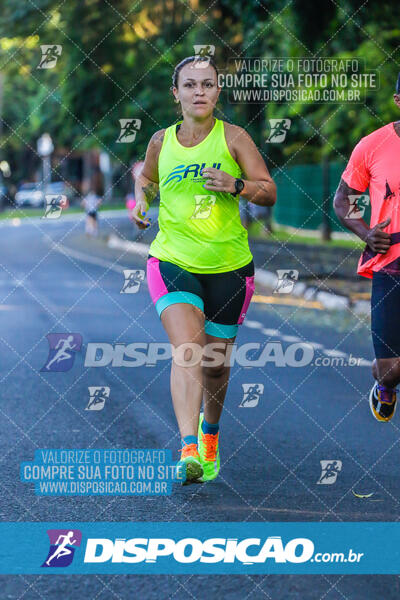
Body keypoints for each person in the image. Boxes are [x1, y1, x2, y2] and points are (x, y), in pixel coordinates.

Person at [132, 56, 276, 482]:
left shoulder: (234, 139)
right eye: (190, 85)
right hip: (172, 258)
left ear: (217, 91)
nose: (199, 92)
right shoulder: (160, 140)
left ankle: (209, 433)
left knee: (215, 363)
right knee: (188, 351)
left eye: (208, 84)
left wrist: (236, 185)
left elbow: (268, 191)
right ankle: (188, 449)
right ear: (175, 93)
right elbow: (147, 179)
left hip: (229, 266)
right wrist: (142, 203)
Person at [334, 73, 400, 423]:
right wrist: (366, 232)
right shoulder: (373, 145)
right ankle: (386, 387)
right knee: (388, 369)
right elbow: (344, 199)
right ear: (398, 101)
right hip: (390, 262)